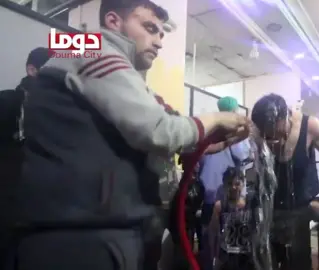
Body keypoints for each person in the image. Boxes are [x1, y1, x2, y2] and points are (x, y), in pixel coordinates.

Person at [11, 1, 250, 270]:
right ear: (114, 22)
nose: (159, 42)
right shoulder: (90, 48)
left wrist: (203, 145)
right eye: (150, 28)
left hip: (100, 229)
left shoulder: (104, 64)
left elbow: (143, 129)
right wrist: (216, 118)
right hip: (80, 238)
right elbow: (160, 130)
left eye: (161, 34)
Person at [251, 93, 319, 270]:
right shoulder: (257, 130)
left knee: (298, 263)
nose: (276, 142)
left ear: (287, 116)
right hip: (268, 209)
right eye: (269, 138)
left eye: (281, 134)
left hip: (299, 210)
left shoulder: (309, 126)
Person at [0, 47, 51, 270]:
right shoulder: (7, 102)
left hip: (41, 214)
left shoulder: (61, 113)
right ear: (32, 70)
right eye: (52, 73)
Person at [198, 96, 252, 268]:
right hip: (229, 197)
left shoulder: (208, 130)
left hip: (207, 195)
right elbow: (243, 156)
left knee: (208, 242)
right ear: (234, 111)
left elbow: (198, 162)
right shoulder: (234, 132)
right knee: (232, 245)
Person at [208, 167, 255, 270]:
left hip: (246, 255)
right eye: (229, 184)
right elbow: (213, 233)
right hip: (226, 256)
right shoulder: (220, 206)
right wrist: (214, 257)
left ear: (243, 184)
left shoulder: (250, 204)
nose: (233, 187)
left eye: (237, 184)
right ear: (224, 185)